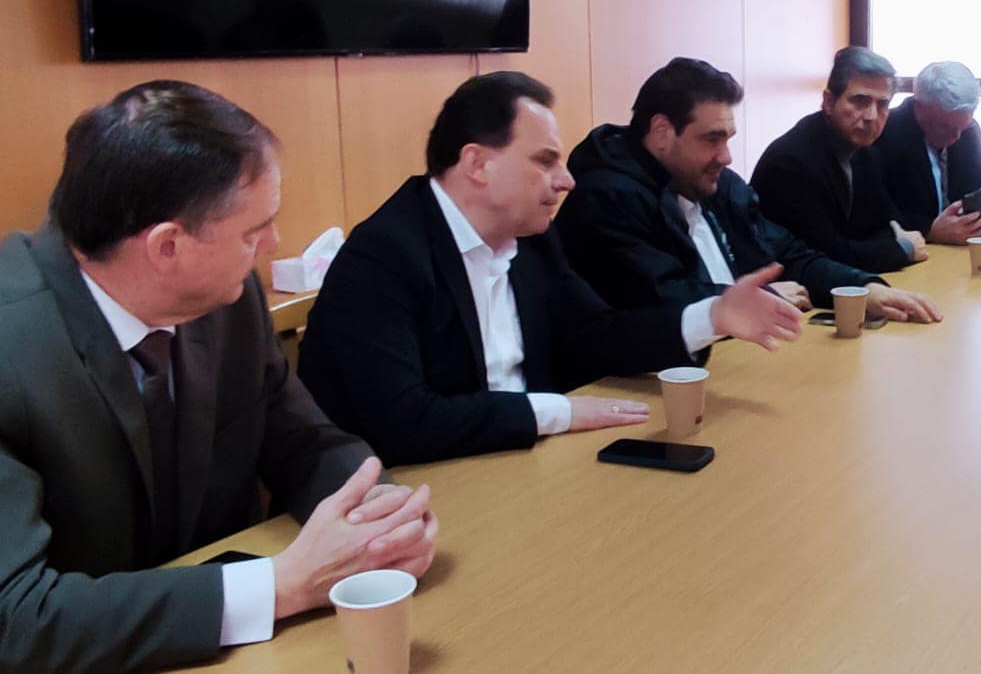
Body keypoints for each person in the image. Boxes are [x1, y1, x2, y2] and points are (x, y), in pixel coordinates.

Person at [0, 81, 438, 669]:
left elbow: (302, 441)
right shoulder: (11, 349)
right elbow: (17, 618)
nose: (272, 244)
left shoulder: (225, 296)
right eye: (254, 231)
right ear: (167, 246)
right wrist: (283, 585)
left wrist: (378, 521)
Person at [298, 73, 804, 466]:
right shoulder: (383, 256)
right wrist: (556, 411)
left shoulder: (532, 239)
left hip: (525, 463)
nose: (566, 180)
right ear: (477, 164)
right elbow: (403, 422)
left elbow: (596, 334)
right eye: (544, 162)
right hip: (423, 485)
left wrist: (713, 315)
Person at [557, 57, 940, 324]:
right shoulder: (606, 198)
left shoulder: (720, 185)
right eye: (712, 139)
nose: (725, 157)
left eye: (728, 138)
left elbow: (789, 254)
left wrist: (861, 287)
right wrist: (762, 299)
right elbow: (658, 298)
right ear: (661, 132)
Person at [750, 47, 925, 273]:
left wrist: (880, 245)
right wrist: (902, 249)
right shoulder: (791, 162)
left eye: (882, 104)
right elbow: (827, 254)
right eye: (860, 101)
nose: (871, 116)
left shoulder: (865, 152)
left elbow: (888, 223)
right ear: (829, 102)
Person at [872, 61, 981, 244]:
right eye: (945, 127)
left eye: (962, 127)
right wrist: (929, 230)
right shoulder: (884, 132)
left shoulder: (967, 131)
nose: (956, 137)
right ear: (919, 107)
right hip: (911, 254)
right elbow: (876, 215)